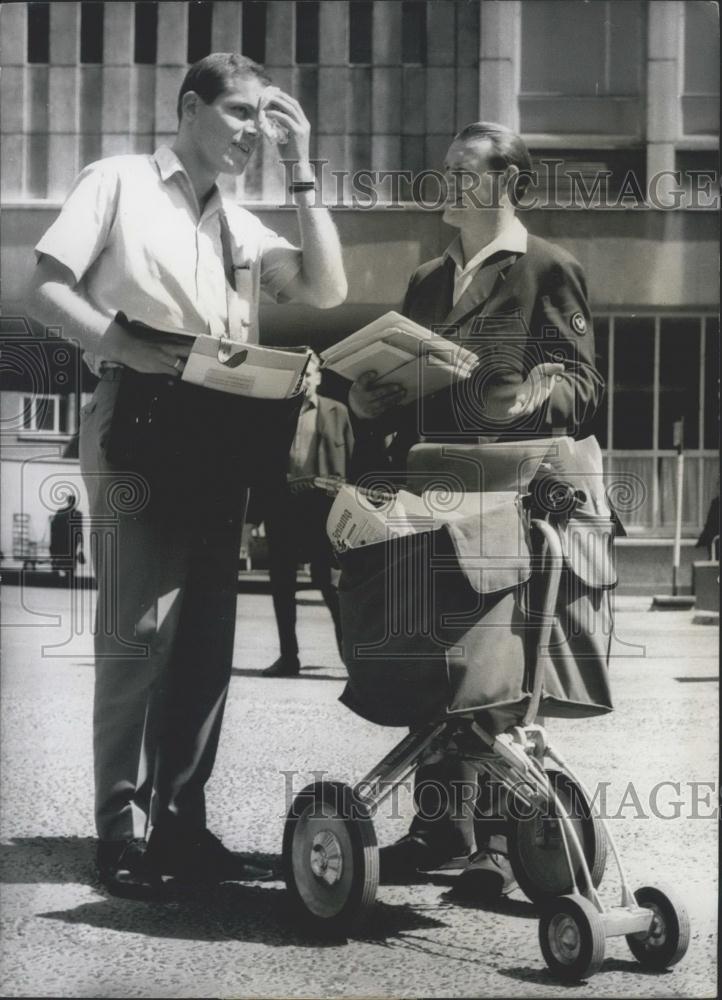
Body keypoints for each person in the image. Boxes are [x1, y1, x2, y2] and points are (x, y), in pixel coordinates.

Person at [28, 53, 347, 900]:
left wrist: (303, 164)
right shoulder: (119, 181)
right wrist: (126, 346)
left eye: (265, 120)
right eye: (241, 114)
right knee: (137, 630)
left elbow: (326, 285)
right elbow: (45, 289)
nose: (254, 132)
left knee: (205, 642)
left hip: (220, 428)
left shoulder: (240, 225)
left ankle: (182, 823)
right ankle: (119, 832)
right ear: (190, 107)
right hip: (136, 411)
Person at [347, 123, 603, 898]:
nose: (448, 184)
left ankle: (495, 845)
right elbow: (403, 397)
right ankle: (438, 832)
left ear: (508, 185)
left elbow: (585, 391)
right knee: (439, 662)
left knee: (494, 668)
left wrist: (531, 392)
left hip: (508, 498)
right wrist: (366, 401)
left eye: (465, 172)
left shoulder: (548, 268)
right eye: (445, 171)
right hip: (430, 496)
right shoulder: (428, 279)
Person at [257, 352, 354, 677]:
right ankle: (289, 657)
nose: (305, 380)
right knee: (282, 584)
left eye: (310, 374)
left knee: (331, 585)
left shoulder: (338, 411)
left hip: (324, 510)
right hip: (284, 508)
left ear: (319, 377)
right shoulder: (276, 413)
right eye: (300, 375)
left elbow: (353, 459)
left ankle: (350, 663)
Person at [49, 493, 85, 577]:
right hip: (72, 542)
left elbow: (54, 527)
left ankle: (56, 577)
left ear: (67, 501)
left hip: (61, 541)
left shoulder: (60, 512)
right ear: (74, 502)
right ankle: (69, 576)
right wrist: (81, 545)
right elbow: (80, 530)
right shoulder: (78, 514)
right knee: (70, 561)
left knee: (59, 559)